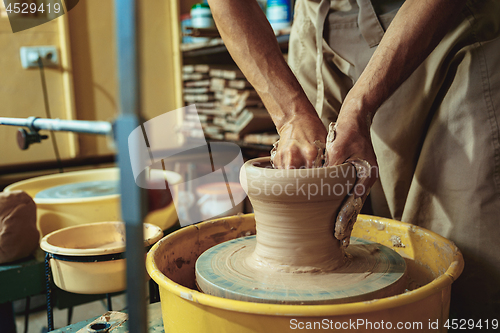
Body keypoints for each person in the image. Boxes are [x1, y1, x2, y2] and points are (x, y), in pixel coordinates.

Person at [207, 0, 500, 322]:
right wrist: (291, 114)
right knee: (331, 202)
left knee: (459, 250)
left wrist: (360, 109)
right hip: (322, 24)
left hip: (443, 25)